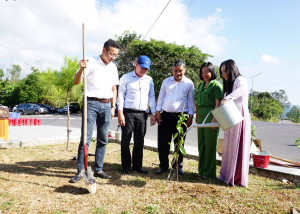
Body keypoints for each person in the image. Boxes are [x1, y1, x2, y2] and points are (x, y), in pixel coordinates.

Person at [70, 39, 120, 183]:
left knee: (103, 139)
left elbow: (113, 88)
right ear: (104, 50)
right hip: (90, 103)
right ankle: (80, 171)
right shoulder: (90, 62)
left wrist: (113, 106)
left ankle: (98, 169)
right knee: (85, 138)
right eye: (111, 54)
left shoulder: (113, 67)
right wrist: (81, 69)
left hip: (106, 105)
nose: (113, 57)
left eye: (116, 55)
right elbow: (76, 81)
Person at [117, 55, 156, 175]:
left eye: (146, 69)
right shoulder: (126, 77)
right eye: (142, 68)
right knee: (126, 141)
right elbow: (121, 96)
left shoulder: (149, 80)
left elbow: (151, 96)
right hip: (128, 112)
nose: (144, 71)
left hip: (142, 114)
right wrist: (120, 113)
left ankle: (138, 166)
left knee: (140, 141)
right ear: (136, 64)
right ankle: (126, 167)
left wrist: (153, 112)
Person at [155, 59, 195, 175]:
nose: (178, 73)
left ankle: (177, 165)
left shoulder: (189, 83)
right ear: (172, 71)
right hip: (165, 116)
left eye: (180, 71)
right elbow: (161, 98)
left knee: (179, 143)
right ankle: (163, 166)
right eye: (175, 71)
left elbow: (191, 101)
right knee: (163, 143)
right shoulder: (166, 82)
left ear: (185, 70)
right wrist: (158, 112)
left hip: (181, 117)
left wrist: (190, 116)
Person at [218, 59, 251, 187]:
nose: (223, 74)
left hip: (240, 117)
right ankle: (227, 174)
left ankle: (236, 177)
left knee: (238, 145)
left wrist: (226, 98)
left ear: (231, 70)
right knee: (229, 147)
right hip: (231, 117)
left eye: (225, 71)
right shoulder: (228, 84)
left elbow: (241, 91)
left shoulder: (240, 80)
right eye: (221, 72)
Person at [196, 62, 223, 178]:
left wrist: (214, 119)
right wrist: (197, 115)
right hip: (201, 117)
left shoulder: (216, 85)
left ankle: (209, 173)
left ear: (212, 71)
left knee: (210, 145)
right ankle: (201, 171)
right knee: (201, 145)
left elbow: (218, 103)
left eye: (207, 71)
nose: (204, 74)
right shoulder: (200, 86)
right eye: (202, 72)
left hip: (211, 117)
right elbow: (198, 102)